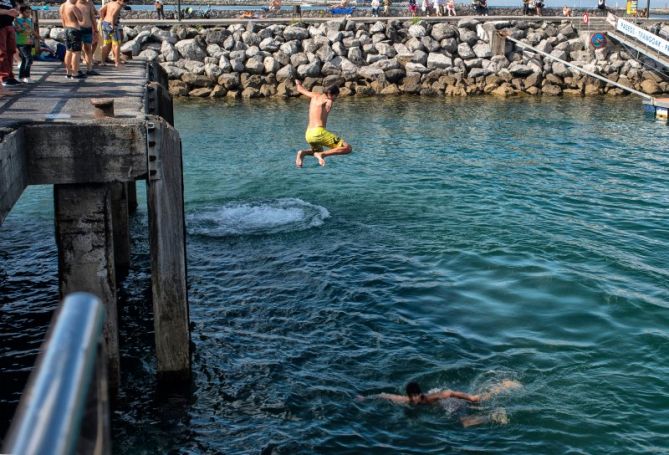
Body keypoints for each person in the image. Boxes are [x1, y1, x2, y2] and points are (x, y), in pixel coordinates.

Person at [295, 81, 352, 168]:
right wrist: (329, 103)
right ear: (332, 94)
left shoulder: (314, 95)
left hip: (308, 134)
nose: (335, 98)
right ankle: (322, 155)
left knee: (317, 150)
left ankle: (302, 153)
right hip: (318, 132)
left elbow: (300, 89)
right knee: (347, 148)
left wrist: (298, 83)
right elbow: (328, 103)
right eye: (336, 96)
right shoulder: (328, 100)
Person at [374, 382, 481, 405]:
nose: (414, 399)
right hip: (439, 406)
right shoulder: (406, 400)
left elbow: (449, 392)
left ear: (420, 394)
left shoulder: (429, 398)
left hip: (452, 403)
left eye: (416, 396)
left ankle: (489, 418)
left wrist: (471, 397)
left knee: (465, 422)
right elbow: (385, 395)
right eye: (411, 396)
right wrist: (365, 398)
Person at [60, 0, 86, 79]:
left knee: (68, 51)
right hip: (74, 29)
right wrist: (79, 10)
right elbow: (81, 19)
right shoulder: (73, 7)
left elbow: (62, 19)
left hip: (66, 29)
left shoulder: (62, 6)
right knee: (76, 52)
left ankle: (68, 72)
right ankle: (75, 73)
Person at [13, 5, 36, 83]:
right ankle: (26, 76)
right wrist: (25, 27)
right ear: (21, 12)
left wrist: (37, 37)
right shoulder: (16, 20)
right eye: (27, 12)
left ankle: (21, 76)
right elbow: (18, 30)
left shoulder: (29, 20)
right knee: (28, 59)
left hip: (29, 42)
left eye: (30, 12)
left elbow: (31, 30)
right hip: (21, 42)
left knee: (24, 59)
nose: (29, 14)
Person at [76, 0, 99, 76]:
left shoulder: (89, 3)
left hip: (88, 29)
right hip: (77, 29)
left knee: (88, 49)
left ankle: (89, 69)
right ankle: (77, 69)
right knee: (77, 50)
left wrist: (95, 30)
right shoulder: (74, 3)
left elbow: (92, 17)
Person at [0, 0, 19, 87]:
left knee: (11, 51)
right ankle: (3, 77)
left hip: (9, 25)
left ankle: (10, 75)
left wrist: (16, 11)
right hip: (1, 26)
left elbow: (15, 9)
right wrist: (8, 12)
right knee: (2, 52)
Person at [99, 0, 124, 67]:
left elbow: (101, 10)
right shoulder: (118, 6)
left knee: (106, 43)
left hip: (105, 24)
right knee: (117, 44)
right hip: (112, 25)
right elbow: (113, 16)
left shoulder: (109, 3)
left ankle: (102, 62)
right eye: (124, 2)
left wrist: (103, 19)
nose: (124, 4)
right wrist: (113, 26)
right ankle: (117, 63)